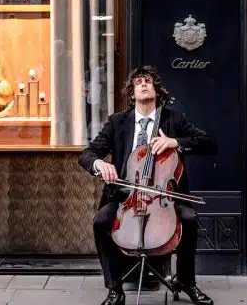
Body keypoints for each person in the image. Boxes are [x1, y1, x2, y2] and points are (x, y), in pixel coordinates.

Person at [79, 65, 217, 305]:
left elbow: (208, 143)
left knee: (189, 220)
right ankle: (115, 289)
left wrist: (175, 142)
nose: (143, 84)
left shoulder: (173, 119)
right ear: (132, 93)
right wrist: (100, 164)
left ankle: (186, 281)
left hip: (164, 197)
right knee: (101, 221)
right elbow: (87, 153)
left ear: (157, 90)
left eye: (148, 81)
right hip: (125, 197)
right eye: (138, 82)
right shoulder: (117, 122)